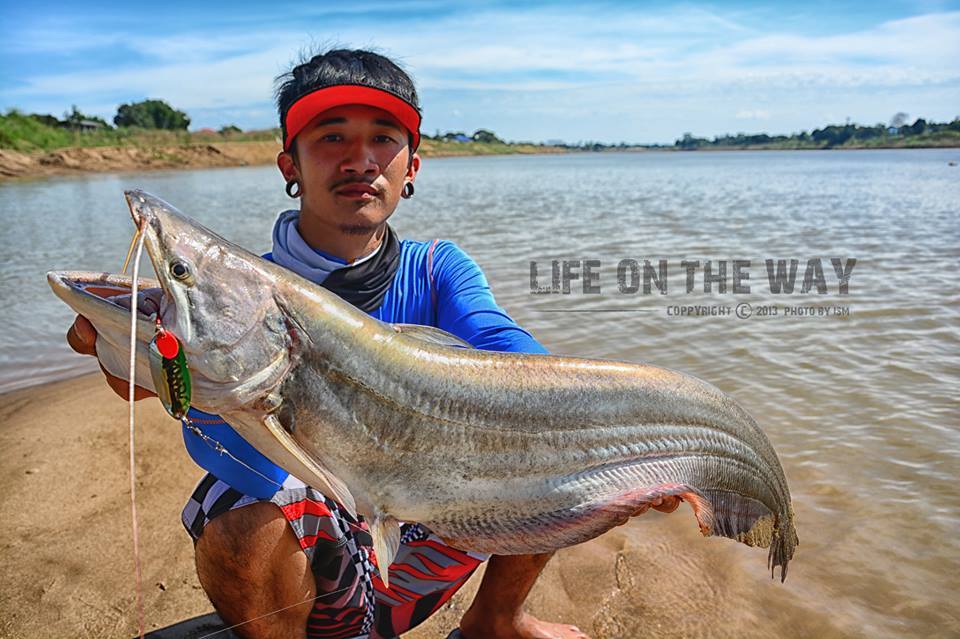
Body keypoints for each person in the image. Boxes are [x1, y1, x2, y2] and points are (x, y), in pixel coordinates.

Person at [68, 49, 589, 639]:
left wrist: (617, 429)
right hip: (315, 561)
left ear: (412, 166)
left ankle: (496, 620)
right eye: (332, 136)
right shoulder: (235, 291)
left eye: (383, 138)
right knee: (238, 519)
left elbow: (505, 344)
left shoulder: (438, 269)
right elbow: (151, 380)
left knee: (566, 460)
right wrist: (115, 349)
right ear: (289, 164)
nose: (360, 159)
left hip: (433, 525)